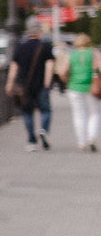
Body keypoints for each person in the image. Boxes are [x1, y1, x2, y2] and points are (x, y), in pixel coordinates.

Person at [6, 18, 56, 151]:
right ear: (39, 31)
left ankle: (31, 141)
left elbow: (13, 68)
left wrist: (10, 84)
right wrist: (47, 82)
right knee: (45, 110)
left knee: (27, 112)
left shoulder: (20, 47)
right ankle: (43, 130)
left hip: (23, 87)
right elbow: (50, 66)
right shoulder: (45, 46)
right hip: (41, 85)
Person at [58, 32, 100, 151]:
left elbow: (62, 71)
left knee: (79, 115)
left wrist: (67, 80)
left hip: (74, 87)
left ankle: (81, 143)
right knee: (95, 113)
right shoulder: (93, 53)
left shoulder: (71, 55)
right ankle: (92, 137)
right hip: (92, 87)